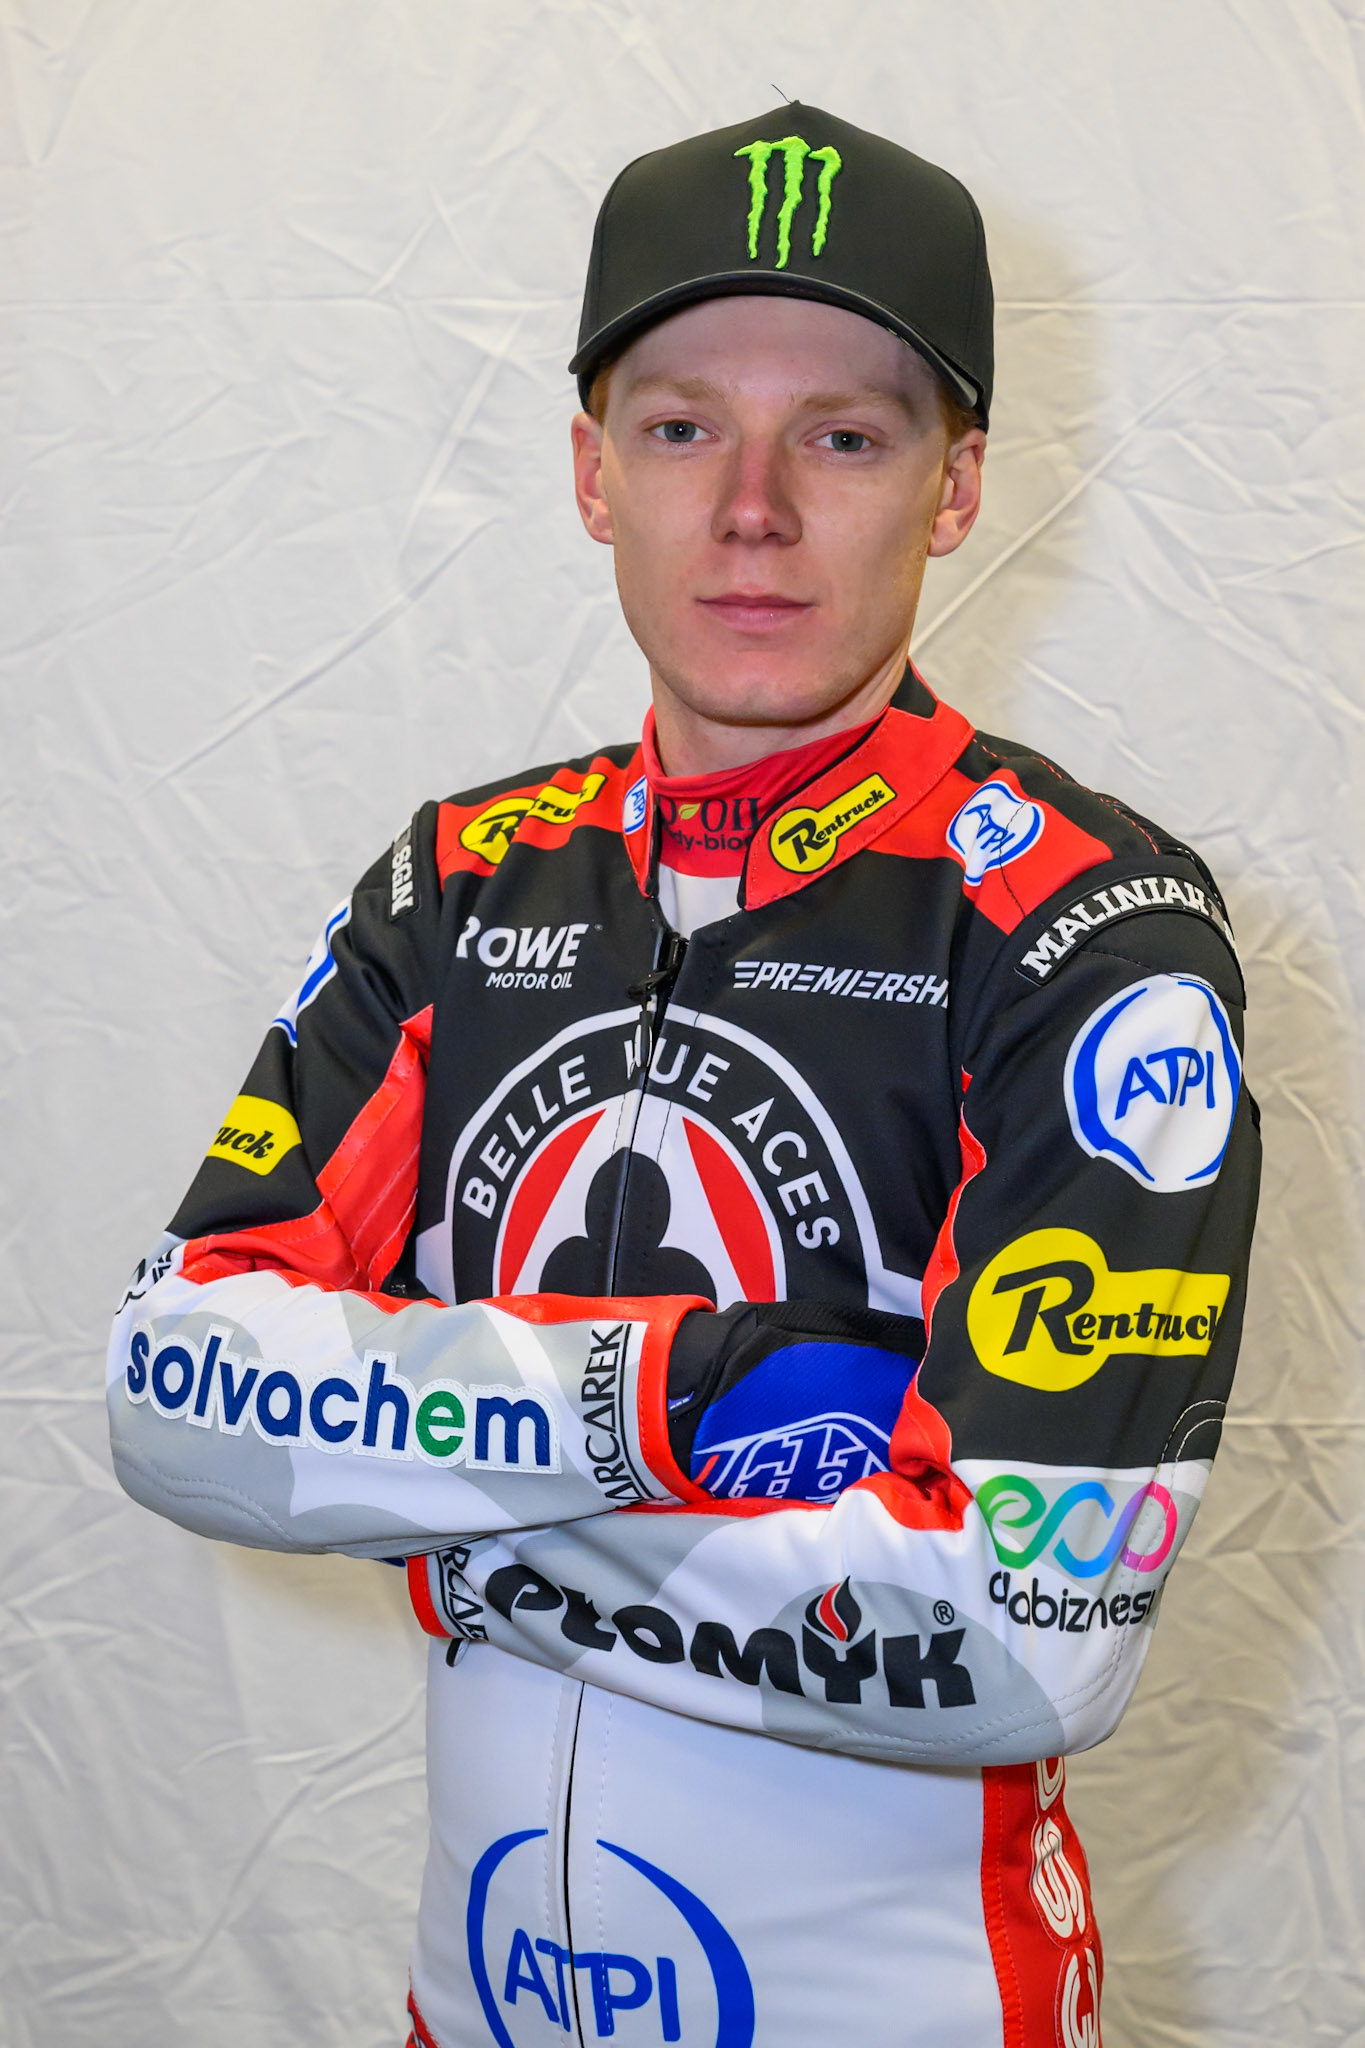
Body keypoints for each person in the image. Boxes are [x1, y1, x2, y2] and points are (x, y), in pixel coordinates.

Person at [108, 102, 1259, 2048]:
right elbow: (172, 1395)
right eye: (676, 427)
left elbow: (1019, 1639)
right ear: (589, 471)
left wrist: (442, 1512)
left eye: (842, 436)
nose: (750, 509)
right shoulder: (458, 885)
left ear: (956, 484)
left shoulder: (1085, 929)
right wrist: (678, 1397)